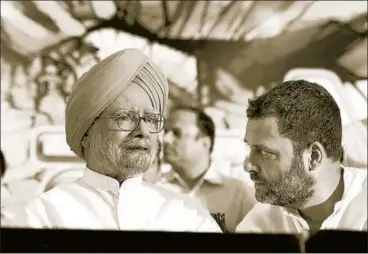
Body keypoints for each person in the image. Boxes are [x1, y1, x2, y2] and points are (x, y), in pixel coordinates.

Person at [1, 49, 221, 232]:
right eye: (125, 117)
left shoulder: (189, 218)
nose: (143, 131)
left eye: (152, 119)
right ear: (87, 132)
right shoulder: (42, 218)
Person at [236, 80, 367, 234]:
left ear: (313, 157)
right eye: (249, 148)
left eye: (265, 152)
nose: (247, 165)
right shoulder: (260, 222)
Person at [159, 106, 257, 232]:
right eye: (166, 132)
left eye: (177, 133)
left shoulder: (239, 194)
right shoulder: (155, 187)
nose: (166, 139)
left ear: (205, 143)